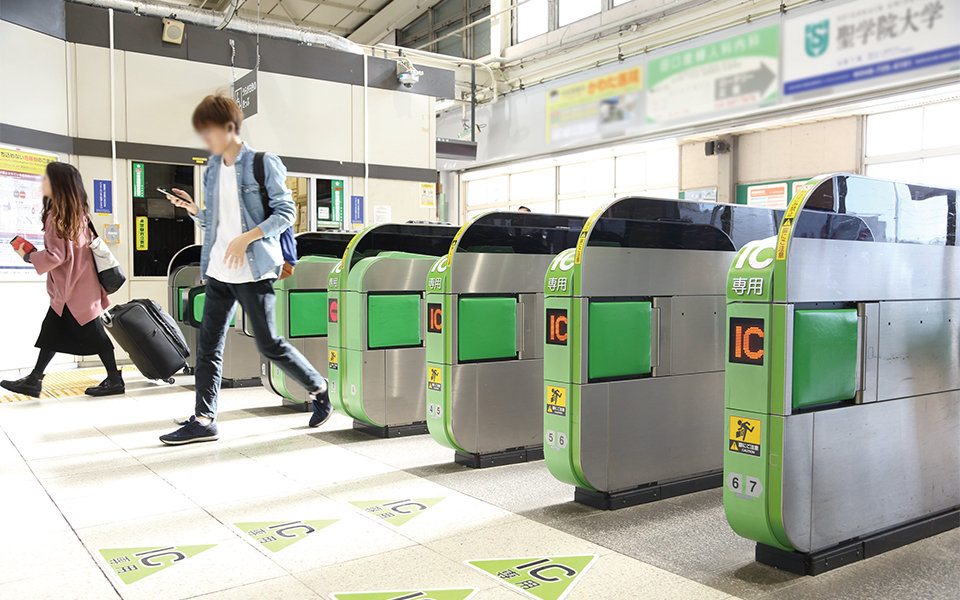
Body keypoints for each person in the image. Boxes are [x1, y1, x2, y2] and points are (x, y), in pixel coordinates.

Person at [159, 94, 331, 445]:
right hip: (220, 271)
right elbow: (216, 222)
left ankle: (318, 388)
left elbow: (286, 214)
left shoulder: (263, 163)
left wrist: (246, 238)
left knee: (269, 344)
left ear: (228, 127)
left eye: (208, 132)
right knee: (208, 346)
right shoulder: (211, 169)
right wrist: (192, 209)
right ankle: (204, 419)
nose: (205, 140)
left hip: (254, 270)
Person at [1, 162, 124, 398]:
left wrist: (29, 256)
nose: (43, 183)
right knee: (52, 331)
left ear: (58, 184)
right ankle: (35, 379)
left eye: (46, 179)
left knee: (94, 334)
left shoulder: (56, 215)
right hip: (82, 287)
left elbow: (57, 256)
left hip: (72, 292)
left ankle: (114, 379)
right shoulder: (78, 213)